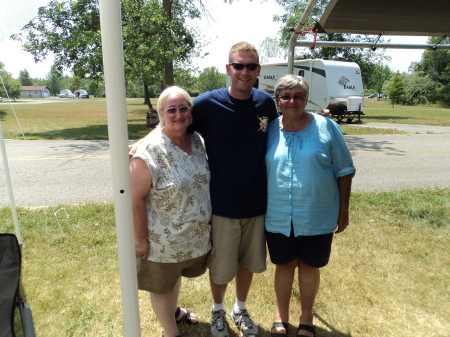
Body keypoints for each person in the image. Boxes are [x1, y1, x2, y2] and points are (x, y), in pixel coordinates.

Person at [191, 41, 279, 337]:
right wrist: (142, 143)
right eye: (238, 65)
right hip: (222, 204)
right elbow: (173, 124)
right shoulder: (206, 104)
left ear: (258, 70)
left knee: (248, 263)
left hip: (257, 202)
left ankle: (239, 308)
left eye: (250, 66)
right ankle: (218, 310)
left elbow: (283, 133)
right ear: (228, 68)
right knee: (221, 266)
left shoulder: (265, 103)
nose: (244, 71)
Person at [265, 75, 355, 337]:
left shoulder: (326, 127)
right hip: (278, 213)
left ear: (306, 99)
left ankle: (306, 317)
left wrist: (344, 211)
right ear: (278, 99)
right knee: (284, 265)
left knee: (309, 266)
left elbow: (345, 170)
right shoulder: (269, 129)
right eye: (286, 96)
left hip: (317, 212)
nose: (292, 101)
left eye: (298, 96)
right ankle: (281, 315)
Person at [130, 86, 211, 337]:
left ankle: (174, 312)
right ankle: (170, 333)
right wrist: (141, 240)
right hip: (162, 242)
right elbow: (134, 198)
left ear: (190, 111)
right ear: (161, 113)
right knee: (162, 286)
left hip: (190, 239)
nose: (178, 114)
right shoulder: (148, 151)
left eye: (183, 108)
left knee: (174, 278)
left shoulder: (196, 141)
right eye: (171, 110)